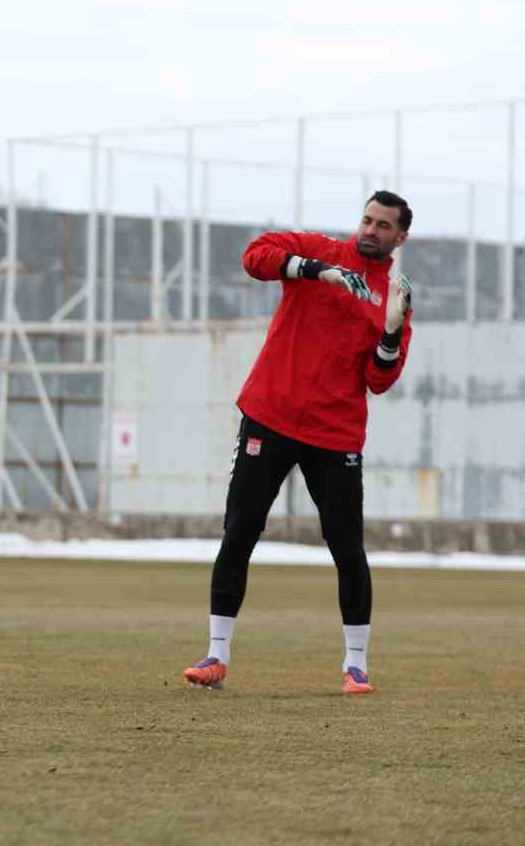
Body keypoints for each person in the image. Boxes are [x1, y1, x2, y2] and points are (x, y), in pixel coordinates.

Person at [184, 192, 414, 694]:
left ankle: (356, 665)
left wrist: (392, 334)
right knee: (240, 531)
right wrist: (315, 271)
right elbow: (255, 256)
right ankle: (216, 655)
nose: (370, 230)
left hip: (335, 434)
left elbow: (378, 380)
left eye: (383, 225)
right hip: (270, 416)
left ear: (401, 237)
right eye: (367, 219)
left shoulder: (392, 296)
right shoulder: (319, 252)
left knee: (346, 546)